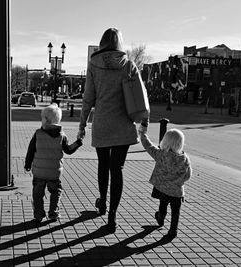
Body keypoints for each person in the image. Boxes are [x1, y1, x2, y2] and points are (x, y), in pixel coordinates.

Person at [77, 28, 148, 233]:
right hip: (124, 125)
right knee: (117, 169)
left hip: (102, 124)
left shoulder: (93, 65)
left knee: (103, 165)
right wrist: (144, 120)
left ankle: (103, 203)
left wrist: (82, 125)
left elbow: (88, 98)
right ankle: (113, 215)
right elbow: (140, 95)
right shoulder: (129, 64)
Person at [25, 103, 83, 223]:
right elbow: (68, 150)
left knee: (37, 194)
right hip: (54, 172)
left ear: (45, 120)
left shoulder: (38, 134)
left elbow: (31, 151)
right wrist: (78, 142)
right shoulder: (62, 136)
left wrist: (27, 164)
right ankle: (53, 213)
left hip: (39, 172)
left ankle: (38, 214)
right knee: (56, 191)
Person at [138, 126, 192, 239]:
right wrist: (179, 182)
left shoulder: (161, 154)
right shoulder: (185, 158)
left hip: (162, 188)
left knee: (163, 204)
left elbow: (149, 147)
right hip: (176, 191)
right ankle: (173, 230)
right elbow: (188, 175)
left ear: (165, 141)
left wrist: (143, 135)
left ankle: (160, 217)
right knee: (176, 211)